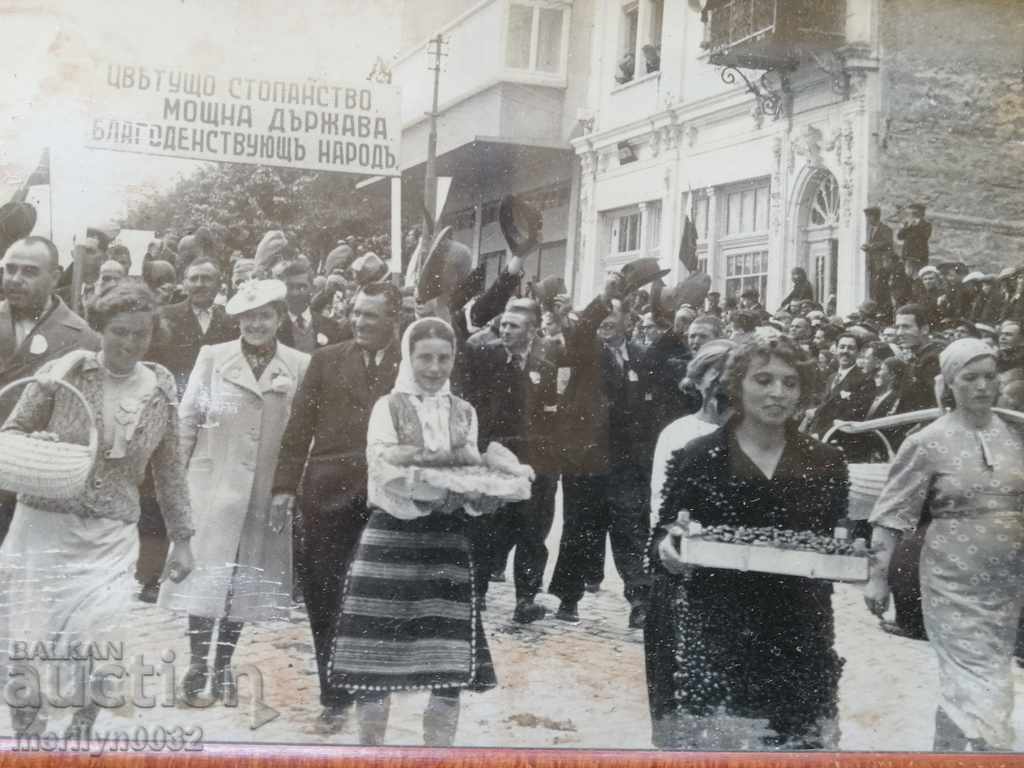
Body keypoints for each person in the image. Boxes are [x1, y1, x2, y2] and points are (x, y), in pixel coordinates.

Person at [0, 282, 194, 738]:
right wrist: (38, 440)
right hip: (44, 528)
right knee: (31, 639)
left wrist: (183, 540)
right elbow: (12, 431)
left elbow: (169, 469)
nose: (130, 343)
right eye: (119, 331)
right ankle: (27, 738)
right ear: (100, 330)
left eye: (141, 334)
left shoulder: (160, 387)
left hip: (111, 533)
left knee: (101, 635)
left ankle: (80, 733)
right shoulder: (64, 370)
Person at [651, 336, 848, 749]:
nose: (778, 392)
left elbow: (835, 542)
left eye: (790, 383)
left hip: (799, 634)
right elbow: (662, 537)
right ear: (737, 384)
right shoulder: (699, 456)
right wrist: (669, 547)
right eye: (763, 380)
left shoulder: (826, 462)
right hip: (719, 632)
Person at [327, 318, 499, 746]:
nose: (435, 368)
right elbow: (387, 468)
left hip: (446, 543)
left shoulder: (464, 412)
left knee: (447, 664)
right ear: (409, 357)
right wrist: (447, 487)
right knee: (373, 662)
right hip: (392, 537)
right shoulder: (387, 407)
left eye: (444, 358)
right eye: (425, 358)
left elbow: (470, 469)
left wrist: (483, 495)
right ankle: (372, 752)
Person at [866, 339, 1024, 751]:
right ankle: (993, 753)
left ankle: (946, 753)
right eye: (970, 378)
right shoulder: (926, 442)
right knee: (982, 681)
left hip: (1007, 584)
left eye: (989, 377)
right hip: (951, 581)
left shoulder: (1015, 434)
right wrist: (877, 579)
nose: (982, 386)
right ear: (950, 383)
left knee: (975, 677)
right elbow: (890, 516)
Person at [158, 280, 310, 701]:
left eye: (265, 316)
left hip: (265, 488)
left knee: (243, 578)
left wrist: (290, 487)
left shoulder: (298, 364)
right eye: (248, 317)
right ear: (238, 320)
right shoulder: (213, 357)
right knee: (205, 575)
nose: (256, 324)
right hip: (212, 483)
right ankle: (197, 662)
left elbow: (301, 433)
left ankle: (224, 663)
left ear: (279, 318)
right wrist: (178, 477)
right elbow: (188, 419)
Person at [271, 281, 401, 731]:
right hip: (326, 496)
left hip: (388, 499)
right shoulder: (326, 360)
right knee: (324, 593)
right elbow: (299, 427)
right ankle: (334, 696)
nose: (359, 321)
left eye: (371, 315)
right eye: (356, 313)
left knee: (379, 596)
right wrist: (284, 487)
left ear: (393, 319)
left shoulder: (409, 364)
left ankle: (373, 688)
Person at [645, 339, 734, 747]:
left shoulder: (757, 435)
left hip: (735, 569)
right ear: (698, 381)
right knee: (678, 677)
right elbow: (661, 505)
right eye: (716, 375)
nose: (724, 385)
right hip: (683, 561)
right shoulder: (679, 433)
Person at [549, 288, 654, 629]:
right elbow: (582, 329)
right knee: (579, 529)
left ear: (629, 319)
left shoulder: (641, 355)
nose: (606, 319)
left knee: (631, 530)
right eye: (602, 313)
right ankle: (568, 599)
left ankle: (640, 600)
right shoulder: (588, 349)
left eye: (614, 312)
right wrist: (603, 298)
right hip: (587, 459)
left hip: (627, 462)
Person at [464, 299, 560, 623]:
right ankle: (476, 592)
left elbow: (554, 415)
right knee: (486, 526)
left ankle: (526, 599)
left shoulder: (546, 365)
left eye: (513, 326)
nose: (505, 330)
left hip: (535, 458)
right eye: (503, 324)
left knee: (533, 530)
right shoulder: (486, 359)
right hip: (494, 453)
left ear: (531, 331)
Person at [0, 237, 101, 542]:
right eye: (10, 269)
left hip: (33, 480)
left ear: (55, 277)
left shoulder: (83, 338)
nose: (15, 279)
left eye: (29, 271)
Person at [148, 259, 239, 395]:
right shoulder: (164, 316)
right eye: (193, 279)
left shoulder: (231, 320)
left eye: (207, 279)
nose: (199, 284)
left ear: (219, 284)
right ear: (185, 284)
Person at [805, 332, 874, 437]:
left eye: (851, 348)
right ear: (836, 350)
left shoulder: (865, 381)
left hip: (835, 436)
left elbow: (852, 418)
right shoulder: (832, 377)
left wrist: (820, 434)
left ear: (858, 352)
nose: (845, 351)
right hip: (815, 432)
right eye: (842, 347)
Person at [274, 260, 346, 352]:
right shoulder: (274, 328)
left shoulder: (330, 326)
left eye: (302, 287)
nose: (295, 293)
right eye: (290, 287)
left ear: (312, 289)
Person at [862, 206, 894, 308]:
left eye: (868, 216)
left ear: (875, 216)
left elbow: (888, 243)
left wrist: (871, 246)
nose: (867, 219)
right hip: (872, 265)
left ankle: (882, 309)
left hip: (882, 265)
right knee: (873, 290)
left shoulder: (886, 229)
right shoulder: (871, 230)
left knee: (881, 290)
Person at [897, 203, 932, 276]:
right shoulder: (908, 224)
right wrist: (906, 227)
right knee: (907, 277)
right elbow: (900, 237)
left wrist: (913, 227)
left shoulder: (927, 225)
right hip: (908, 256)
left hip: (920, 257)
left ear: (922, 213)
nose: (913, 214)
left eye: (915, 212)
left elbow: (925, 236)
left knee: (919, 276)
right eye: (912, 212)